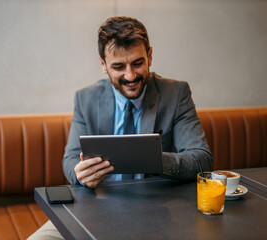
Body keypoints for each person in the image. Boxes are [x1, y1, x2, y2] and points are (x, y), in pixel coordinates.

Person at [28, 16, 212, 240]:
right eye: (118, 66)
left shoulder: (176, 94)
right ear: (103, 65)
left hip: (156, 209)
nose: (131, 76)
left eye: (137, 63)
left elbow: (202, 159)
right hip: (92, 206)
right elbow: (70, 160)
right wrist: (80, 173)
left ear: (150, 56)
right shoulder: (86, 99)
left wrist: (151, 159)